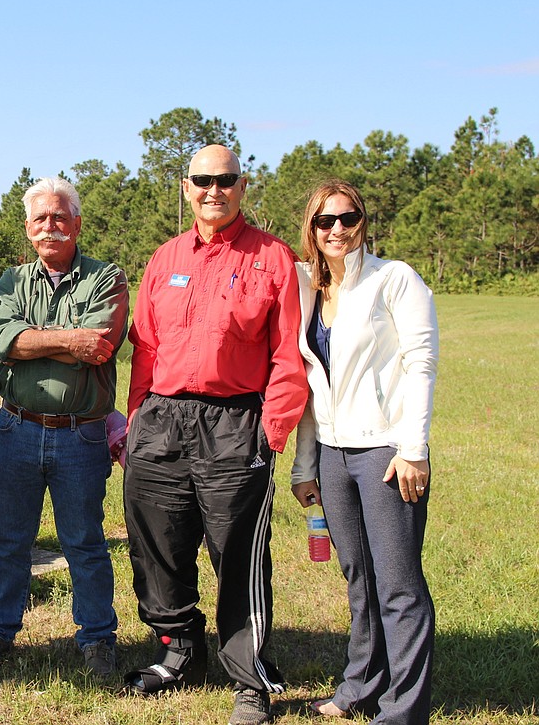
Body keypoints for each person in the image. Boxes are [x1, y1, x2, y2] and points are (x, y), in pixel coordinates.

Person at [123, 145, 307, 725]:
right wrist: (136, 421)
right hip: (161, 419)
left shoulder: (273, 258)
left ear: (242, 186)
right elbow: (146, 347)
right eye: (202, 180)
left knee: (237, 554)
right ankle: (179, 647)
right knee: (157, 541)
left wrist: (270, 432)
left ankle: (250, 679)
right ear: (186, 187)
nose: (213, 190)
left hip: (235, 423)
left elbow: (288, 352)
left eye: (225, 180)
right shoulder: (165, 258)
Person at [0, 176, 129, 677]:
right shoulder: (9, 283)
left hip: (82, 433)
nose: (50, 226)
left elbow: (101, 345)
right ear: (29, 229)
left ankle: (97, 637)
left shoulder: (107, 277)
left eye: (60, 216)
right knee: (10, 540)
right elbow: (1, 340)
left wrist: (34, 341)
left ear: (76, 223)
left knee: (84, 540)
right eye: (41, 218)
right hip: (18, 428)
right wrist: (68, 340)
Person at [290, 180, 438, 723]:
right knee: (358, 577)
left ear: (363, 222)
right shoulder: (309, 290)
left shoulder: (393, 279)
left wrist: (413, 449)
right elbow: (310, 385)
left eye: (347, 218)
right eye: (325, 221)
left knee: (398, 584)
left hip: (385, 452)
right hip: (333, 454)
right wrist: (306, 465)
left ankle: (404, 709)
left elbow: (422, 362)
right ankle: (361, 686)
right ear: (311, 227)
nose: (337, 230)